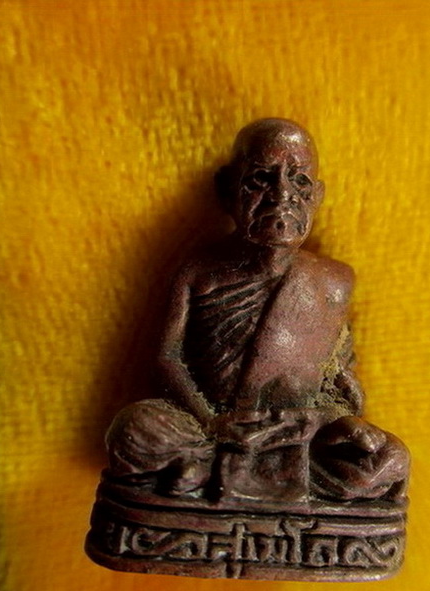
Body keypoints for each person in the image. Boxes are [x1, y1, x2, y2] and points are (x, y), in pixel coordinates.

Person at [106, 119, 409, 502]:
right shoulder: (199, 271)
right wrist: (212, 421)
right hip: (212, 427)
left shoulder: (333, 282)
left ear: (317, 195)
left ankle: (206, 473)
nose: (281, 195)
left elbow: (339, 384)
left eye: (299, 181)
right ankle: (210, 464)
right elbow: (167, 359)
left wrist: (340, 421)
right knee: (133, 429)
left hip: (297, 432)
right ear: (227, 190)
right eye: (260, 179)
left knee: (389, 456)